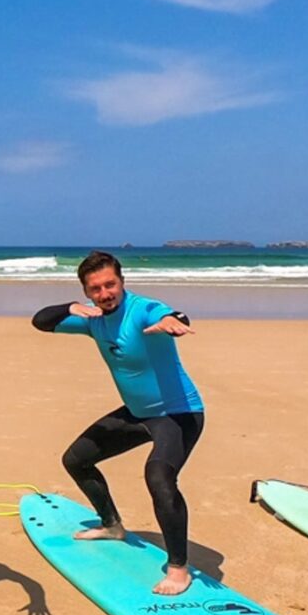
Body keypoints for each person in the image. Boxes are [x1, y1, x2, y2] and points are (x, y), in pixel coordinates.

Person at [32, 250, 205, 596]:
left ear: (122, 282)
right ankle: (112, 525)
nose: (105, 293)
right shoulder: (93, 320)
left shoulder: (141, 309)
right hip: (137, 414)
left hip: (178, 413)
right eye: (95, 288)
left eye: (110, 284)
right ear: (87, 293)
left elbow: (171, 314)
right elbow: (40, 320)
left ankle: (178, 569)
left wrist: (174, 320)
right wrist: (70, 308)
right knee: (76, 460)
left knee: (159, 476)